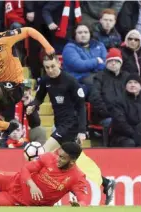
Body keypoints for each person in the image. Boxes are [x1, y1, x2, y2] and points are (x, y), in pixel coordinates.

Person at [28, 53, 115, 205]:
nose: (50, 70)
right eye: (47, 67)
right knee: (77, 161)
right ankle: (106, 183)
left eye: (53, 66)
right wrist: (33, 105)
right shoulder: (45, 81)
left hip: (70, 125)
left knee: (43, 152)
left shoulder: (70, 81)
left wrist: (82, 130)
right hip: (59, 124)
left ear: (59, 64)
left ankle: (37, 189)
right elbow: (39, 97)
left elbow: (81, 107)